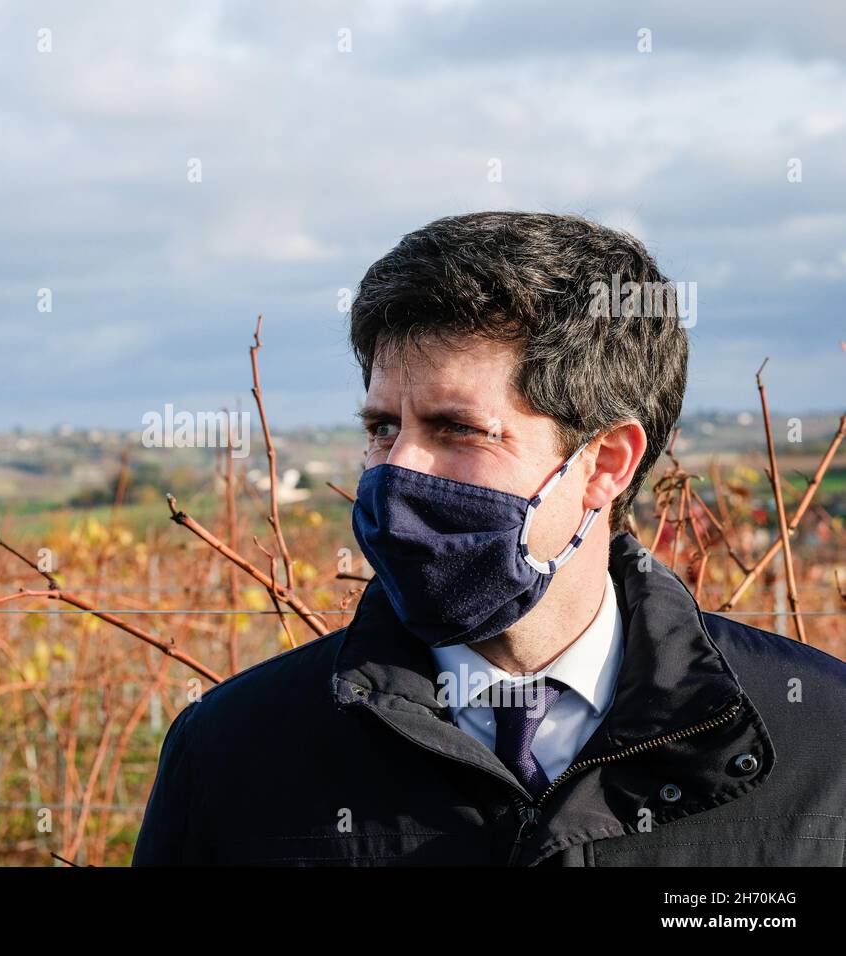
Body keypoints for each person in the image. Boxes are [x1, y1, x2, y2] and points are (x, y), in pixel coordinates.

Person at [132, 211, 846, 866]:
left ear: (605, 463)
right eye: (382, 428)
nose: (397, 469)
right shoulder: (234, 754)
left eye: (457, 429)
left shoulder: (823, 746)